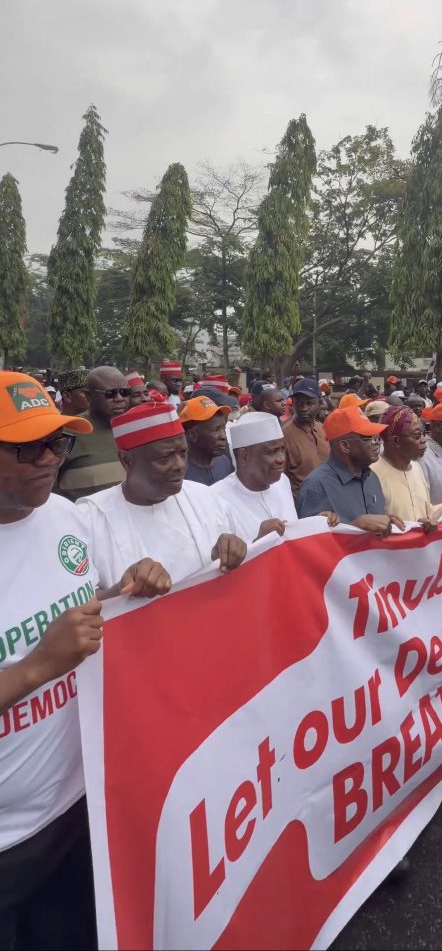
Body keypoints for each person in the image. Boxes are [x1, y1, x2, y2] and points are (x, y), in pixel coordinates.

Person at [0, 372, 169, 950]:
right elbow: (52, 652)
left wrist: (132, 586)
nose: (50, 458)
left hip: (79, 805)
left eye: (59, 441)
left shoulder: (68, 521)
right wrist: (34, 667)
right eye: (28, 446)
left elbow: (94, 605)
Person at [75, 402, 247, 589]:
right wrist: (120, 591)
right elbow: (79, 605)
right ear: (127, 460)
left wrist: (229, 553)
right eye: (165, 458)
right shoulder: (90, 518)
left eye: (183, 453)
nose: (180, 465)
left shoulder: (205, 497)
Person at [297, 405, 405, 536]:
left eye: (376, 437)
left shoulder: (371, 478)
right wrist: (354, 525)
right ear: (345, 446)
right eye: (368, 438)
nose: (377, 443)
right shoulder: (316, 486)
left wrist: (386, 522)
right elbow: (308, 543)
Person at [212, 413, 302, 543]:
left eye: (282, 450)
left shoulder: (283, 481)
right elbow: (218, 560)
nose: (281, 459)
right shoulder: (216, 499)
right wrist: (259, 542)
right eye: (272, 452)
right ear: (244, 456)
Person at [55, 366, 130, 501]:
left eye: (125, 392)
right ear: (88, 396)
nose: (119, 398)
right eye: (110, 393)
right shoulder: (67, 432)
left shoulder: (136, 428)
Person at [371, 406, 442, 526]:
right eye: (417, 435)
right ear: (395, 441)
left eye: (424, 433)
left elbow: (427, 512)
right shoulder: (372, 475)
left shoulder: (416, 468)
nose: (424, 439)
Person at [282, 378, 330, 497]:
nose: (304, 408)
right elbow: (279, 481)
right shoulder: (283, 436)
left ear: (320, 403)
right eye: (299, 403)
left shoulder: (325, 429)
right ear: (292, 403)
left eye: (309, 403)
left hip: (331, 501)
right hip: (301, 507)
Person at [179, 395, 234, 486]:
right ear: (192, 435)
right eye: (216, 429)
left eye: (223, 428)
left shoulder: (224, 462)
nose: (223, 436)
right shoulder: (178, 474)